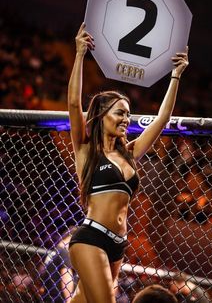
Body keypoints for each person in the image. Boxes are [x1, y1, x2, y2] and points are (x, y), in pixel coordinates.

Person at [68, 22, 189, 303]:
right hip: (91, 238)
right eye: (120, 113)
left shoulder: (129, 153)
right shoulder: (86, 150)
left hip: (118, 246)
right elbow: (74, 105)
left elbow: (162, 119)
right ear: (101, 115)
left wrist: (175, 76)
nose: (126, 120)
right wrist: (79, 55)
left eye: (129, 115)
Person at [41, 227, 77, 303]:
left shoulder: (53, 252)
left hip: (49, 297)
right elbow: (66, 275)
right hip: (60, 299)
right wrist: (69, 299)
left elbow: (42, 272)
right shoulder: (64, 252)